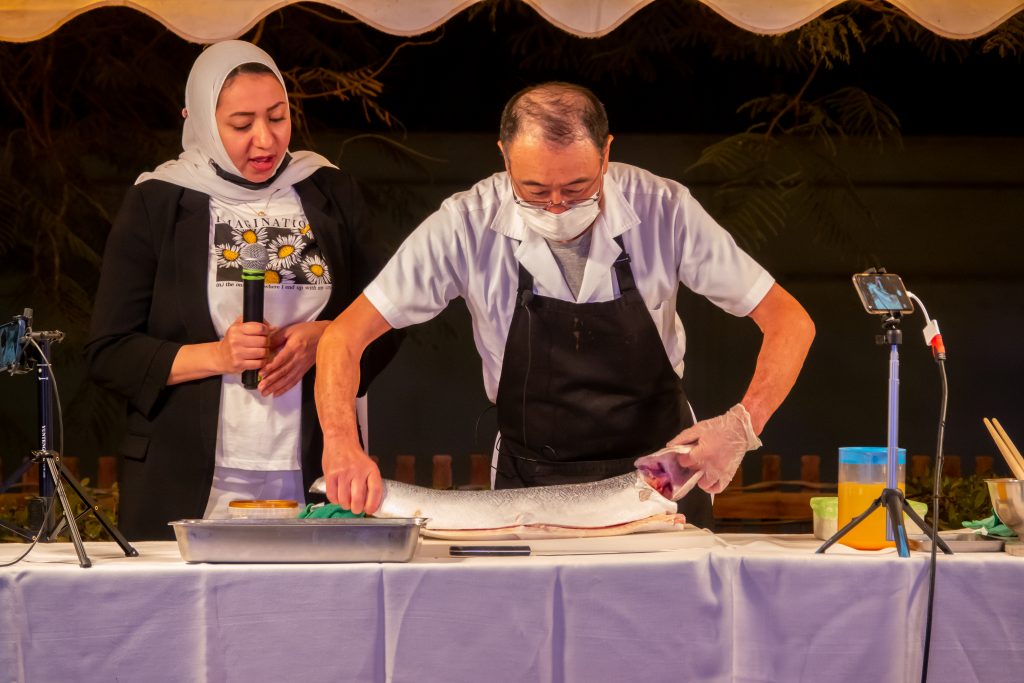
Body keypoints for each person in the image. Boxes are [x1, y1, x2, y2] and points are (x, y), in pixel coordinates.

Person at [314, 82, 814, 527]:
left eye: (577, 188)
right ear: (504, 157)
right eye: (532, 190)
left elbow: (789, 321)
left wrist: (742, 425)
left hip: (661, 477)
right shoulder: (464, 224)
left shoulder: (664, 208)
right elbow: (342, 337)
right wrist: (340, 444)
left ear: (606, 152)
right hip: (529, 479)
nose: (555, 205)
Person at [85, 40, 399, 540]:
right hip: (188, 476)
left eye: (277, 117)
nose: (265, 140)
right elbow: (109, 352)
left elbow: (393, 315)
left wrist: (328, 337)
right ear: (205, 123)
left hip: (313, 470)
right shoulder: (158, 201)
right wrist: (219, 354)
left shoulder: (327, 191)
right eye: (241, 124)